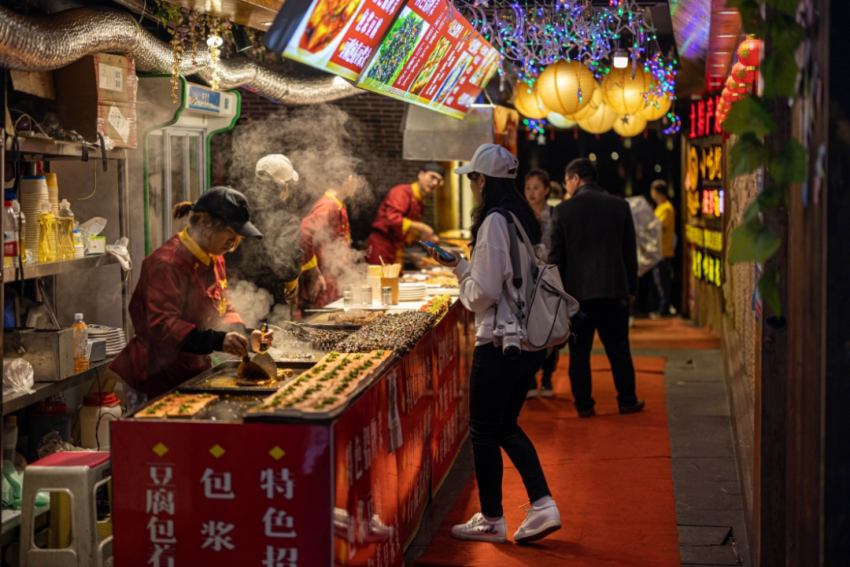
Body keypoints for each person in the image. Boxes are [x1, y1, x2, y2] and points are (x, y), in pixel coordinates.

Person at [425, 144, 561, 545]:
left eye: (473, 179)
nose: (472, 187)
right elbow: (504, 278)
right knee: (504, 426)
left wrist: (461, 277)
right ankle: (542, 504)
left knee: (484, 430)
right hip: (526, 344)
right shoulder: (523, 220)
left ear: (483, 181)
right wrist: (460, 265)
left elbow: (481, 294)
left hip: (500, 343)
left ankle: (492, 518)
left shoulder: (493, 223)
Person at [111, 187, 274, 402]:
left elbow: (222, 307)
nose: (234, 244)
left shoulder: (215, 257)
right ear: (205, 223)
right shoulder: (166, 263)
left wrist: (243, 336)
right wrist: (218, 340)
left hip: (192, 369)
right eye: (230, 234)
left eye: (238, 238)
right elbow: (163, 327)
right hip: (155, 374)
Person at [549, 158, 644, 418]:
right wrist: (631, 288)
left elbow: (556, 258)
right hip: (613, 292)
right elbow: (629, 252)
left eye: (566, 181)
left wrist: (556, 295)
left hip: (576, 297)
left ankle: (584, 406)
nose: (566, 186)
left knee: (579, 353)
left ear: (576, 179)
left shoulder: (563, 210)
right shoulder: (619, 205)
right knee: (619, 349)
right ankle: (627, 400)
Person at [227, 154, 303, 315]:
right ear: (285, 187)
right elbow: (284, 267)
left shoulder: (233, 208)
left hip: (231, 300)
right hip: (268, 303)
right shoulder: (287, 220)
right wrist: (293, 279)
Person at [299, 162, 359, 309]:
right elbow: (303, 235)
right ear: (348, 178)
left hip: (334, 283)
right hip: (323, 285)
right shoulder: (327, 205)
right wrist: (314, 273)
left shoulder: (337, 203)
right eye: (356, 176)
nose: (357, 182)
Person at [366, 163, 444, 265]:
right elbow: (393, 220)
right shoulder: (401, 192)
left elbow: (407, 233)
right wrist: (423, 227)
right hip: (381, 248)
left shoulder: (420, 201)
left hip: (397, 249)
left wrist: (424, 239)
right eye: (432, 177)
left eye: (439, 181)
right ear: (420, 174)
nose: (435, 183)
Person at [523, 169, 557, 399]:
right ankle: (530, 378)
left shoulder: (556, 213)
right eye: (528, 188)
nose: (531, 192)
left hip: (551, 279)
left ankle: (547, 377)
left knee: (552, 328)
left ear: (546, 189)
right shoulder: (521, 214)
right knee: (528, 329)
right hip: (526, 280)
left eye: (536, 188)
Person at [650, 179, 676, 318]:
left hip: (664, 251)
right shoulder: (660, 207)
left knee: (663, 280)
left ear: (655, 192)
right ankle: (663, 306)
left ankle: (664, 307)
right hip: (659, 251)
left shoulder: (667, 208)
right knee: (659, 279)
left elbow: (659, 226)